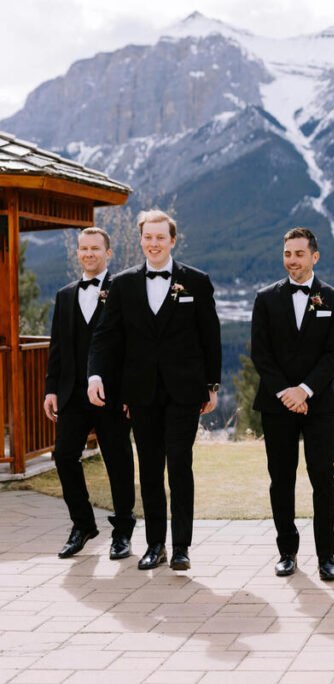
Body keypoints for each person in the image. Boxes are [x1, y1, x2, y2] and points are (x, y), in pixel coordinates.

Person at [88, 209, 221, 572]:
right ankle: (155, 545)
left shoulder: (196, 281)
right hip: (140, 393)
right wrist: (95, 375)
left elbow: (210, 337)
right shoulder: (124, 284)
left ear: (172, 240)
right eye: (148, 237)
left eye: (161, 237)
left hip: (184, 392)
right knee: (149, 469)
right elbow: (105, 335)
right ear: (141, 239)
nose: (154, 243)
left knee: (179, 464)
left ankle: (181, 547)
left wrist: (212, 385)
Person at [251, 228, 334, 581]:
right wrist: (286, 394)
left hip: (320, 404)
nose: (292, 260)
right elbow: (260, 353)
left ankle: (327, 556)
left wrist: (305, 391)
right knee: (281, 479)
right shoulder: (265, 298)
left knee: (323, 478)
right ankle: (286, 552)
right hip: (277, 404)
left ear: (315, 256)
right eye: (287, 254)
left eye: (299, 254)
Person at [43, 227, 135, 560]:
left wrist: (129, 393)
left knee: (118, 461)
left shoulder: (123, 290)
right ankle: (82, 525)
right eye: (84, 248)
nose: (89, 253)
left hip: (112, 395)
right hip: (71, 395)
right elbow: (57, 347)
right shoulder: (65, 295)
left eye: (95, 248)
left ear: (108, 253)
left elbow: (132, 348)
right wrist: (51, 389)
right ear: (78, 253)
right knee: (64, 456)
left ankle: (122, 531)